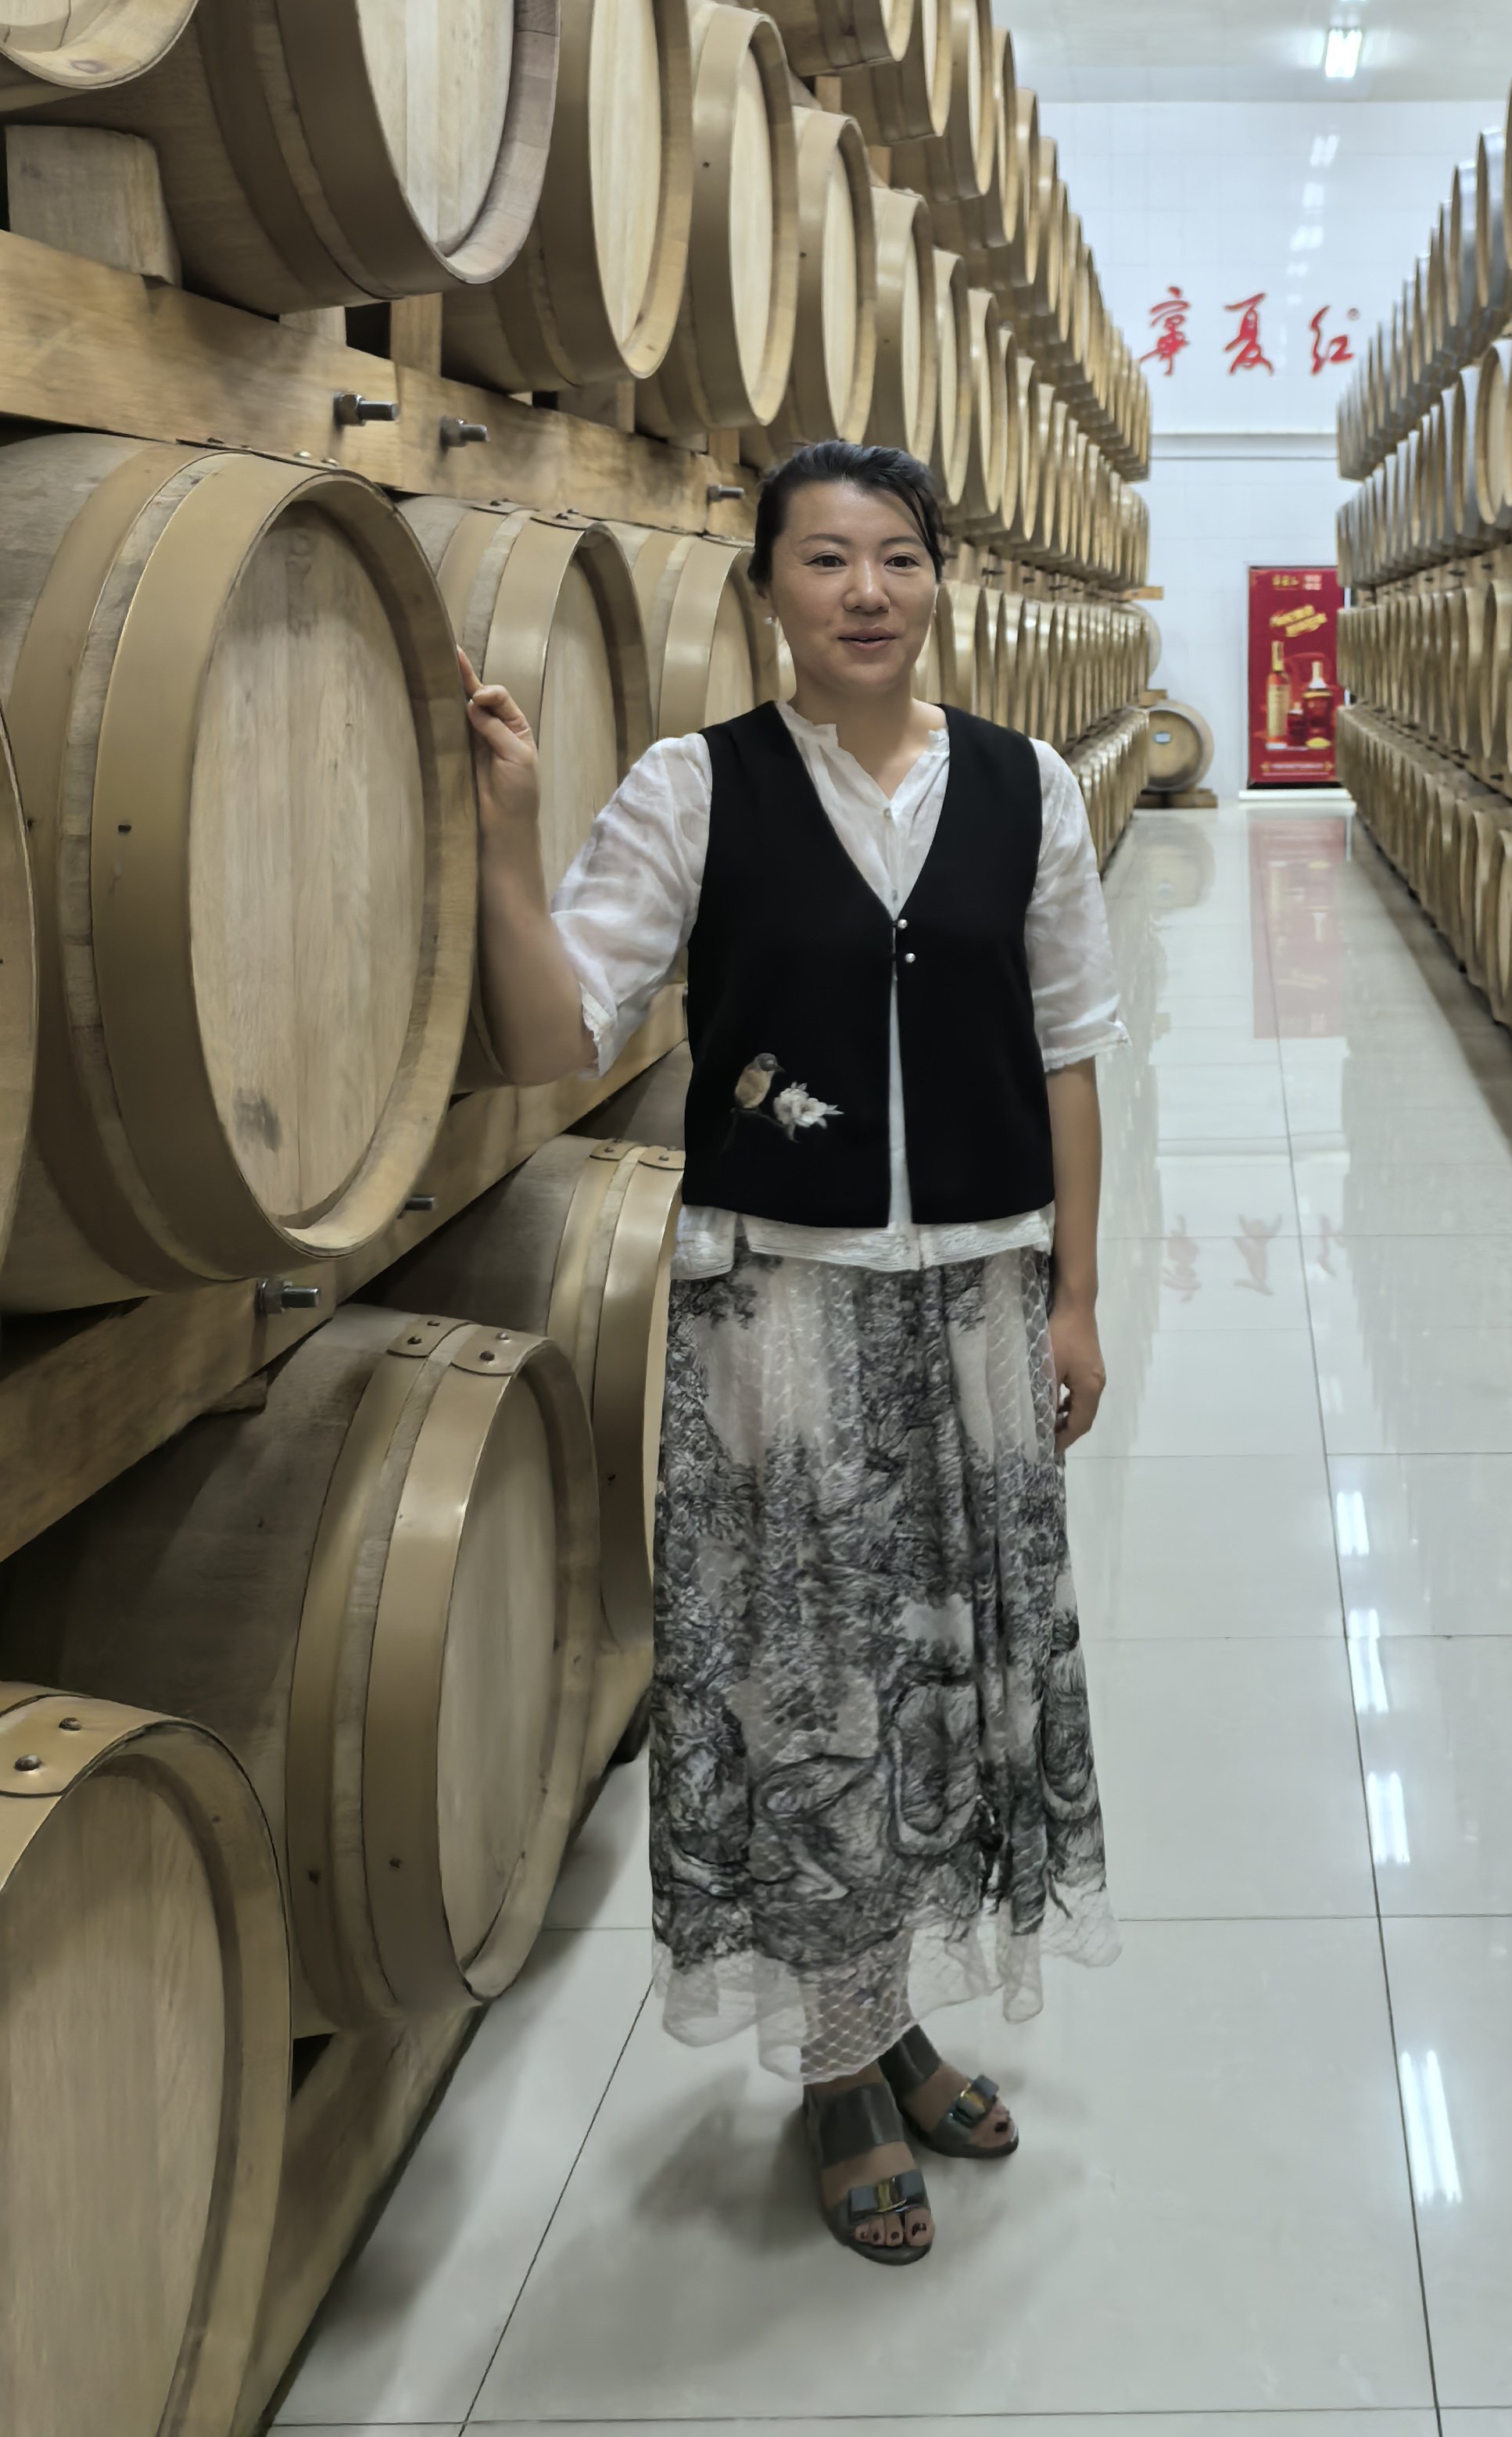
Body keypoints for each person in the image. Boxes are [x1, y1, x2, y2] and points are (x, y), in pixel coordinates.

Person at [457, 438, 1121, 2267]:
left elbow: (1072, 1047)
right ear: (765, 590)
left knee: (946, 1672)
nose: (865, 591)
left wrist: (1076, 1292)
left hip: (977, 1296)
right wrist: (507, 831)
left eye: (897, 554)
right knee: (817, 1694)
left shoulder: (1028, 786)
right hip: (784, 1314)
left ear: (939, 581)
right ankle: (840, 2070)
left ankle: (884, 2019)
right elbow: (553, 1028)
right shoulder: (699, 786)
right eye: (824, 557)